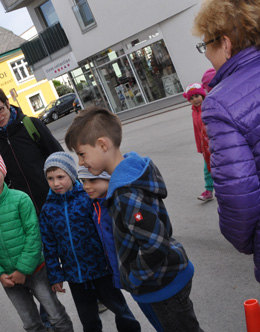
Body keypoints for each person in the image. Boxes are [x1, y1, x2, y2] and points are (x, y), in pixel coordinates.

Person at [64, 108, 204, 332]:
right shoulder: (130, 173)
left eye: (82, 154)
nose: (80, 163)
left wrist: (135, 276)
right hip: (161, 281)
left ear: (102, 145)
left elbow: (155, 244)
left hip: (162, 285)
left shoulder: (126, 193)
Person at [193, 0, 260, 329]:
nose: (206, 54)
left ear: (225, 44)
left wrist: (245, 242)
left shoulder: (222, 102)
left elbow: (239, 196)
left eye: (206, 45)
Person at [0, 144, 73, 332]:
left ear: (3, 170)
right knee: (31, 324)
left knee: (56, 316)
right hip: (8, 278)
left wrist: (23, 269)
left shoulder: (21, 199)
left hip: (36, 271)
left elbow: (33, 235)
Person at [39, 152, 141, 332]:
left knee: (121, 310)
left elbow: (105, 230)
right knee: (89, 320)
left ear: (71, 175)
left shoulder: (87, 198)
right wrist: (55, 276)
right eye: (50, 178)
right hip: (75, 277)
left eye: (61, 177)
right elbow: (49, 245)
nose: (56, 183)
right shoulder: (48, 209)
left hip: (101, 269)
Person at [78, 166, 164, 332]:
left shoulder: (117, 205)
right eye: (83, 181)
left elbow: (148, 241)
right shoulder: (95, 205)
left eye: (92, 180)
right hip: (128, 277)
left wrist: (136, 276)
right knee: (153, 317)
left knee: (164, 320)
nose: (86, 186)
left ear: (109, 179)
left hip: (143, 275)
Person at [0, 86, 63, 215]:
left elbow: (59, 158)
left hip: (54, 200)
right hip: (23, 210)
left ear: (7, 103)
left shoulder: (32, 125)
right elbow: (0, 181)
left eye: (0, 110)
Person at [182, 83, 213, 202]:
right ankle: (209, 191)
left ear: (203, 95)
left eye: (197, 96)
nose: (195, 100)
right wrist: (200, 147)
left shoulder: (209, 107)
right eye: (191, 98)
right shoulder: (194, 112)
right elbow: (197, 131)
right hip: (205, 147)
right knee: (207, 170)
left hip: (216, 144)